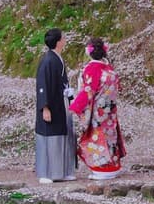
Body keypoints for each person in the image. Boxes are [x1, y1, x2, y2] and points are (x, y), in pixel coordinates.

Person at [69, 38, 126, 180]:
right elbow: (118, 88)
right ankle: (113, 166)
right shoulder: (109, 69)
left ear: (89, 52)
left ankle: (103, 168)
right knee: (110, 136)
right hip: (110, 110)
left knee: (96, 137)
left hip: (97, 111)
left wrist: (75, 106)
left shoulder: (92, 68)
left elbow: (88, 90)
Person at [34, 28, 77, 184]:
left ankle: (62, 171)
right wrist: (44, 107)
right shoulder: (47, 61)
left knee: (63, 136)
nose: (65, 39)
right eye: (63, 37)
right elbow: (42, 85)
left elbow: (63, 82)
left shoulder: (58, 58)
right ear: (58, 41)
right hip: (51, 105)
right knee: (48, 137)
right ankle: (46, 173)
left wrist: (70, 95)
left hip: (61, 103)